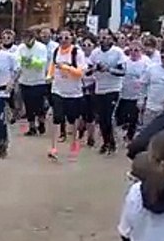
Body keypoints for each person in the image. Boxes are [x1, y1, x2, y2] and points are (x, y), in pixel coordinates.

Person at [48, 31, 88, 160]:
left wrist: (66, 67)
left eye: (66, 37)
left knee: (72, 121)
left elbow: (80, 73)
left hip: (74, 93)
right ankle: (53, 148)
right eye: (61, 37)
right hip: (58, 90)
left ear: (72, 39)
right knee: (57, 118)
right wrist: (49, 76)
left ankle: (73, 147)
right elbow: (52, 66)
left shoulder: (77, 53)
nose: (63, 40)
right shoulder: (56, 51)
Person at [88, 31, 126, 155]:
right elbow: (87, 71)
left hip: (113, 88)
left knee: (109, 116)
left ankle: (111, 143)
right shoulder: (95, 53)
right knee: (101, 118)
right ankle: (106, 141)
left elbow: (123, 71)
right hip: (100, 88)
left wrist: (108, 69)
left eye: (105, 37)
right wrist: (95, 68)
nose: (103, 40)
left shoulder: (117, 52)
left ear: (111, 38)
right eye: (101, 37)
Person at [16, 30, 50, 136]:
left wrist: (30, 61)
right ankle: (31, 127)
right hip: (25, 80)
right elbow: (17, 60)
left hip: (38, 80)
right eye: (24, 39)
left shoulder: (41, 47)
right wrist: (23, 62)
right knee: (28, 105)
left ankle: (41, 122)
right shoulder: (21, 48)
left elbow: (42, 62)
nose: (26, 41)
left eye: (28, 39)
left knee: (39, 105)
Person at [116, 41, 150, 144]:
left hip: (138, 95)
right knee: (120, 116)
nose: (133, 53)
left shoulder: (146, 62)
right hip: (125, 93)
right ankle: (123, 132)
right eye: (131, 50)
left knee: (133, 117)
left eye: (136, 50)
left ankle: (130, 137)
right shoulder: (125, 62)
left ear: (141, 51)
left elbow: (147, 79)